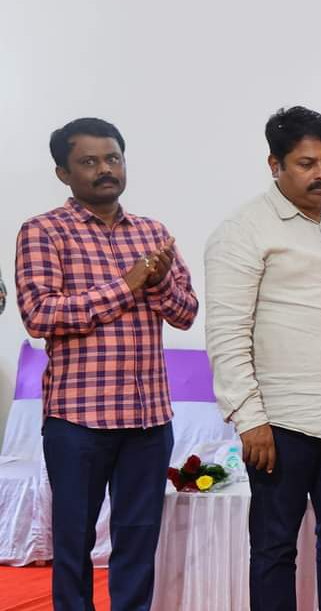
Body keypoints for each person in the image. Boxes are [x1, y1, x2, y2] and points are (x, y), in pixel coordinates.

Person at [204, 106, 321, 610]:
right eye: (307, 164)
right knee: (274, 547)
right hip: (281, 424)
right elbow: (226, 333)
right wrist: (249, 419)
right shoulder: (243, 230)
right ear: (275, 165)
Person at [15, 117, 198, 610]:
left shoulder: (153, 233)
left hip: (147, 419)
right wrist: (127, 284)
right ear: (63, 172)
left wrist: (157, 281)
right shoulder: (43, 231)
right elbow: (40, 315)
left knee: (138, 541)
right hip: (78, 420)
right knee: (73, 541)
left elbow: (185, 314)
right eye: (89, 161)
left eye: (113, 158)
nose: (105, 169)